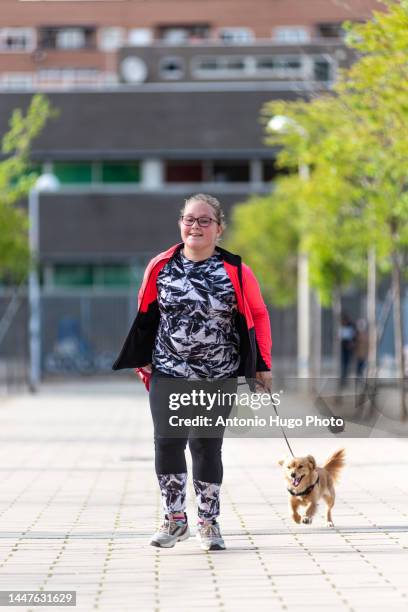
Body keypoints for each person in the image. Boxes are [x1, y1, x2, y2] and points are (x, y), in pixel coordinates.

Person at [112, 193, 272, 551]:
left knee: (205, 445)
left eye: (204, 220)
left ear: (219, 229)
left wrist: (263, 363)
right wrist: (143, 357)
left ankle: (209, 522)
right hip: (168, 369)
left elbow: (258, 315)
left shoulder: (236, 271)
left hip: (218, 374)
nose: (195, 226)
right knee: (167, 442)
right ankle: (174, 518)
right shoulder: (161, 265)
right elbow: (146, 311)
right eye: (189, 219)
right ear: (180, 224)